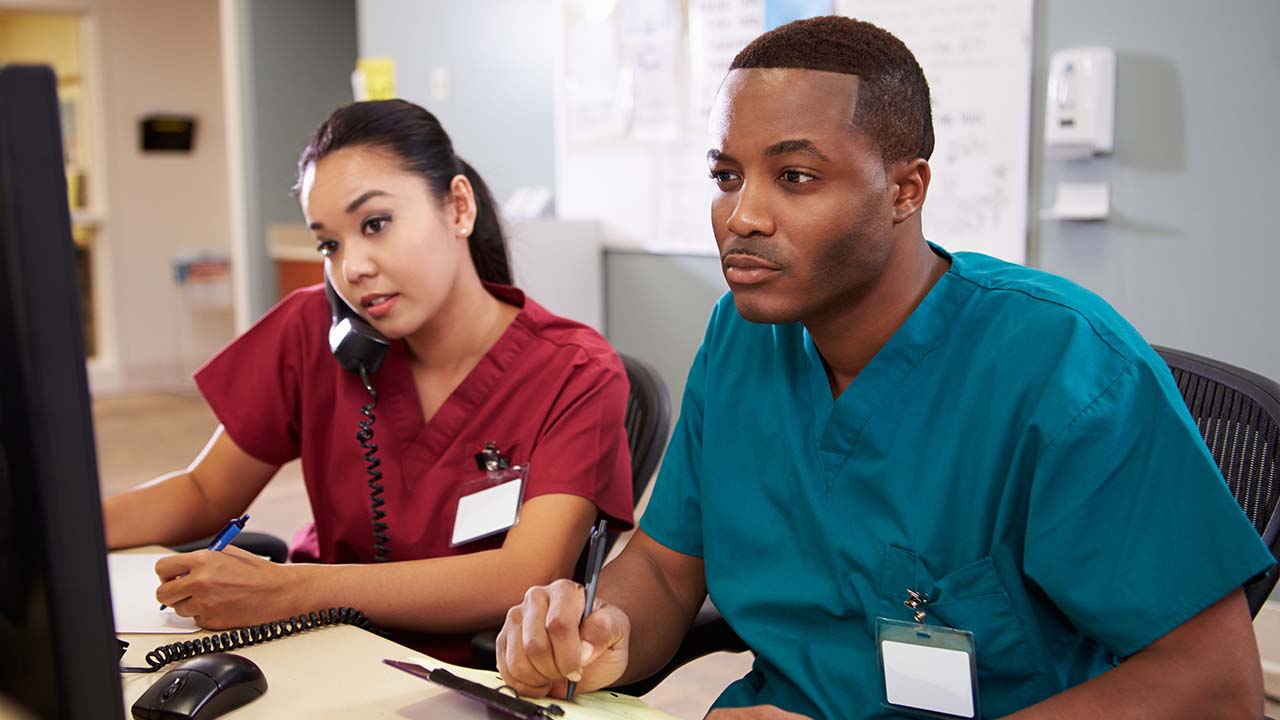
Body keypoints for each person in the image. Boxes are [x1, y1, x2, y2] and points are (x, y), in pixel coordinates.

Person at [494, 16, 1271, 719]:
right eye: (727, 176)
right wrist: (599, 630)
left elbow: (1214, 687)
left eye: (795, 177)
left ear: (906, 189)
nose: (742, 216)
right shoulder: (741, 338)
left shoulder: (1065, 367)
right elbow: (666, 569)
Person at [103, 99, 634, 665]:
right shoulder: (315, 327)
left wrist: (292, 591)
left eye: (375, 225)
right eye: (329, 244)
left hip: (467, 676)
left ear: (457, 207)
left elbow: (524, 575)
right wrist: (49, 524)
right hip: (313, 647)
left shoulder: (574, 370)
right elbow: (206, 492)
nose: (351, 266)